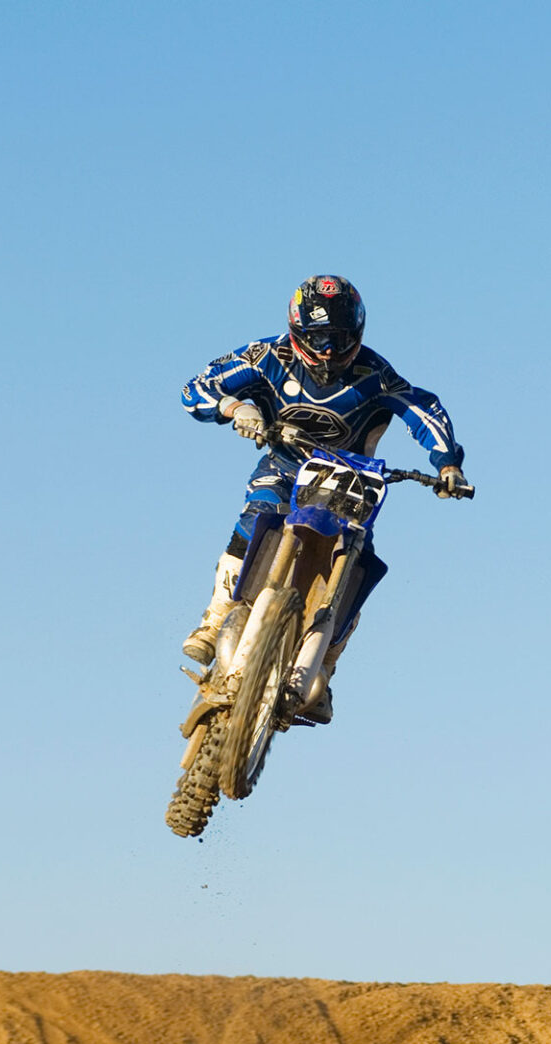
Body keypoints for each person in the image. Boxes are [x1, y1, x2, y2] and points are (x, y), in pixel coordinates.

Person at [177, 274, 469, 722]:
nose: (329, 350)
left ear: (357, 335)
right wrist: (237, 408)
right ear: (298, 330)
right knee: (258, 512)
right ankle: (216, 617)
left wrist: (447, 464)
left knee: (358, 560)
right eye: (319, 338)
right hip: (284, 467)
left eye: (339, 338)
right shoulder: (266, 357)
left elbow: (421, 409)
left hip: (351, 479)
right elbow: (197, 386)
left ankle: (325, 668)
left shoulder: (375, 375)